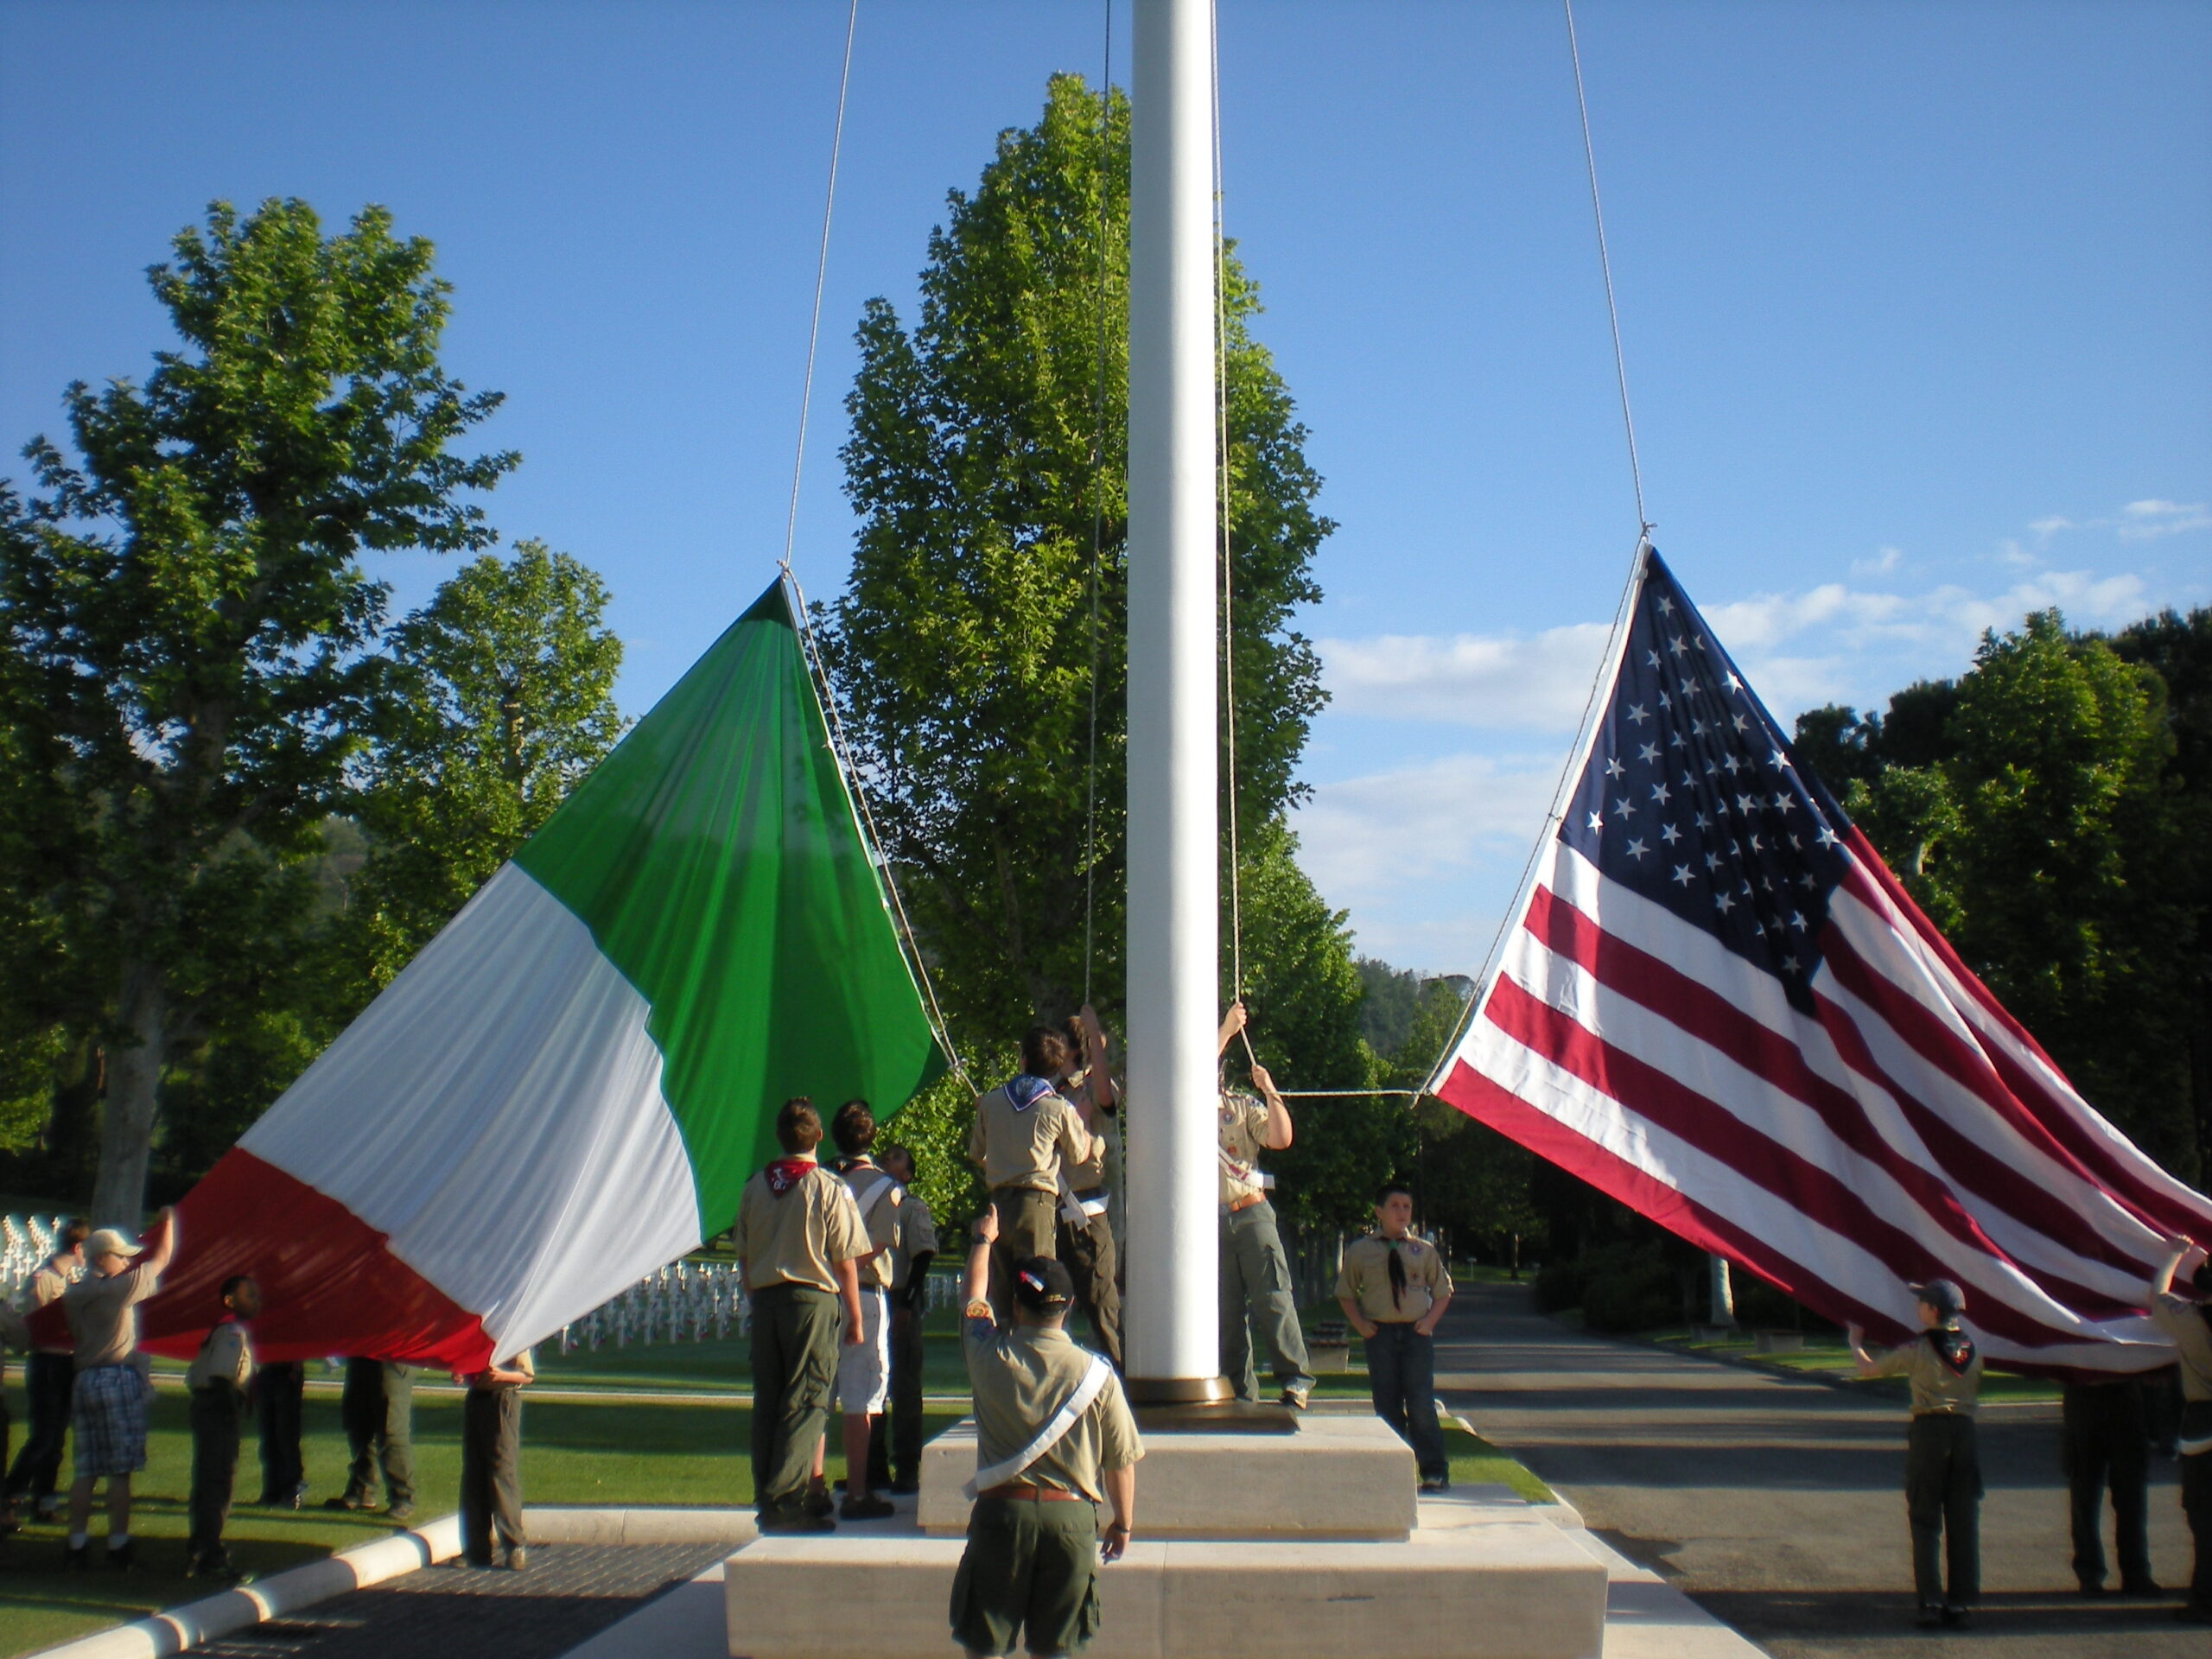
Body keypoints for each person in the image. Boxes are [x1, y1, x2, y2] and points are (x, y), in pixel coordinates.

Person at [949, 1205, 1141, 1659]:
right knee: (1057, 1650)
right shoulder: (1099, 1375)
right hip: (1071, 1521)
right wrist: (1123, 1523)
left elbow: (973, 1298)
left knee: (985, 1648)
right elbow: (1120, 1462)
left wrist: (983, 1240)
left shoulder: (987, 1354)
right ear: (1069, 1307)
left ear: (1015, 1306)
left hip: (1002, 1515)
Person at [736, 1096, 868, 1533]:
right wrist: (855, 1316)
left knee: (769, 1401)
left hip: (766, 1300)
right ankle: (786, 1502)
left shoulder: (755, 1187)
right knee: (807, 1399)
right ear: (819, 1137)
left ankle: (766, 1494)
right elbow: (845, 1259)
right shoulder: (827, 1187)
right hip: (811, 1300)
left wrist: (756, 1296)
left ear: (778, 1136)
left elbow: (744, 1254)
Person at [1848, 1278, 1983, 1630]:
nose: (1917, 1307)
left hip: (1930, 1432)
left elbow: (1868, 1369)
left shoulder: (1919, 1349)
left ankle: (1930, 1600)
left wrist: (1855, 1342)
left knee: (1925, 1518)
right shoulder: (1972, 1348)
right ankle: (1961, 1603)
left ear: (1934, 1310)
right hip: (1965, 1432)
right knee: (1963, 1519)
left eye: (1921, 1302)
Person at [60, 1208, 177, 1570]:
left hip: (84, 1379)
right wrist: (169, 1223)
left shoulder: (74, 1293)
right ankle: (118, 1544)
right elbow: (161, 1259)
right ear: (101, 1258)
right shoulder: (117, 1289)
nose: (127, 1263)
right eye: (120, 1256)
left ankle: (76, 1544)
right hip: (115, 1377)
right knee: (119, 1471)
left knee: (85, 1470)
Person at [1215, 1002, 1315, 1409]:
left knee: (1273, 1297)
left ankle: (1295, 1380)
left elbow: (1280, 1138)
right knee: (1226, 1313)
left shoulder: (1240, 1107)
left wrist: (1270, 1091)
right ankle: (1240, 1391)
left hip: (1250, 1212)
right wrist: (1226, 1029)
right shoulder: (1180, 1109)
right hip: (1211, 1223)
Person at [969, 1027, 1100, 1315]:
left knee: (1001, 1294)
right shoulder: (1058, 1107)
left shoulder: (991, 1102)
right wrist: (1084, 1123)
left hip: (998, 1203)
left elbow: (977, 1154)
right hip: (1036, 1204)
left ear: (1023, 1058)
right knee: (1038, 1288)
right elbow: (1078, 1154)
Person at [1335, 1181, 1454, 1492]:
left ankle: (1434, 1471)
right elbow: (1345, 1293)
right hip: (1380, 1334)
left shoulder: (1423, 1251)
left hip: (1415, 1334)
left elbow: (1443, 1292)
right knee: (1386, 1404)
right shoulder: (1361, 1251)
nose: (1402, 1212)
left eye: (1407, 1207)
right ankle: (1392, 1472)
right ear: (1379, 1211)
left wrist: (1428, 1322)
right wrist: (1361, 1325)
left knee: (1421, 1403)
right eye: (1395, 1206)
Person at [830, 1098, 902, 1521]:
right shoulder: (885, 1187)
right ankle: (857, 1492)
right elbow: (877, 1243)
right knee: (862, 1395)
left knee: (820, 1393)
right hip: (865, 1291)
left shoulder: (822, 1181)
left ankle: (814, 1486)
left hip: (823, 1290)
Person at [4, 1217, 86, 1529]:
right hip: (48, 1363)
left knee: (55, 1441)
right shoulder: (44, 1279)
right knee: (43, 1438)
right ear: (77, 1248)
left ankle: (44, 1501)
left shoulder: (63, 1279)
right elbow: (37, 1326)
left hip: (65, 1362)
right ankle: (9, 1496)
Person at [2147, 1234, 2212, 1624]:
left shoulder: (2189, 1319)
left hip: (2202, 1424)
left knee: (2204, 1521)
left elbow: (2157, 1297)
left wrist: (2174, 1255)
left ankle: (2205, 1601)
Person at [1056, 1008, 1122, 1370]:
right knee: (1048, 1302)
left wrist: (1094, 1035)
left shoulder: (1092, 1087)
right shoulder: (1050, 1090)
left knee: (1101, 1302)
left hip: (1084, 1209)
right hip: (1050, 1207)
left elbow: (1107, 1100)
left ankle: (1120, 1378)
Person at [871, 1143, 937, 1495]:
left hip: (899, 1297)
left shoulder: (911, 1208)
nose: (887, 1159)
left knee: (904, 1386)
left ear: (907, 1175)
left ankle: (907, 1467)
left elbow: (922, 1256)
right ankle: (872, 1466)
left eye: (896, 1157)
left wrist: (907, 1305)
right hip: (873, 1296)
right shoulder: (869, 1204)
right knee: (870, 1384)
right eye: (885, 1154)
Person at [185, 1274, 259, 1581]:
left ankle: (200, 1544)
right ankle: (210, 1553)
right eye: (249, 1295)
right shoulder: (231, 1331)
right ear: (229, 1301)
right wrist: (231, 1412)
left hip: (209, 1407)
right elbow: (221, 1377)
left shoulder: (223, 1329)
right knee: (216, 1481)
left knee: (208, 1479)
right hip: (217, 1408)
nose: (256, 1300)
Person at [2061, 1375, 2155, 1597]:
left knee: (2130, 1496)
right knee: (2085, 1497)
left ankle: (2134, 1573)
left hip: (2122, 1396)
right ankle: (2091, 1574)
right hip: (2084, 1396)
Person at [457, 1345, 534, 1570]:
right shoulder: (473, 1337)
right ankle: (476, 1549)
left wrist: (502, 1375)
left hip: (502, 1398)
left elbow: (527, 1375)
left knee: (501, 1472)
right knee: (474, 1475)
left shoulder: (512, 1337)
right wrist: (459, 1372)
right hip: (476, 1397)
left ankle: (514, 1546)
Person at [327, 1356, 415, 1521]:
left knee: (391, 1429)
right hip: (361, 1353)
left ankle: (403, 1498)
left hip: (392, 1356)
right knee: (359, 1423)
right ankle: (362, 1491)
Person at [254, 1359, 308, 1508]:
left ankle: (292, 1490)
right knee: (268, 1438)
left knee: (287, 1437)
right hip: (267, 1370)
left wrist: (296, 1367)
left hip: (286, 1370)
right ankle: (272, 1490)